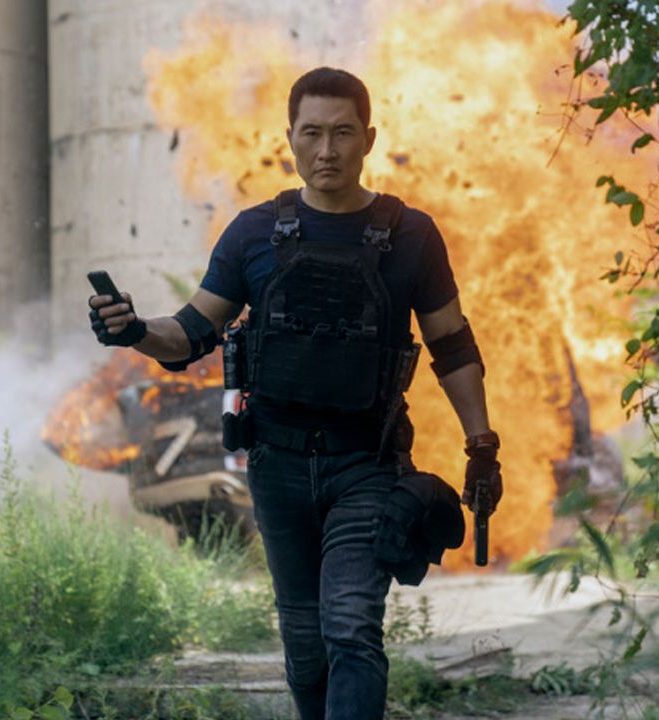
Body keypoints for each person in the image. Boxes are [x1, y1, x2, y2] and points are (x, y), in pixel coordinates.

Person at [88, 67, 502, 720]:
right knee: (306, 650)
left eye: (342, 133)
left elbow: (452, 347)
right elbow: (191, 332)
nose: (326, 150)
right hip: (277, 469)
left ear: (369, 139)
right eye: (312, 133)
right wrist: (135, 330)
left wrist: (481, 446)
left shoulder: (412, 236)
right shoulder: (253, 234)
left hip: (368, 465)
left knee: (352, 628)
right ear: (290, 139)